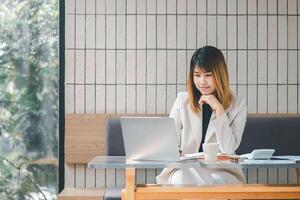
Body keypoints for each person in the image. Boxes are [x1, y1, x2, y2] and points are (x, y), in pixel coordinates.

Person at [156, 46, 247, 185]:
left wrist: (219, 110)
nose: (202, 81)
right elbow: (170, 140)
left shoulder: (237, 104)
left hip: (222, 171)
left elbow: (228, 149)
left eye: (208, 75)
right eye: (197, 75)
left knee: (214, 182)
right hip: (187, 170)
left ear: (220, 74)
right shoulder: (182, 100)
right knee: (183, 179)